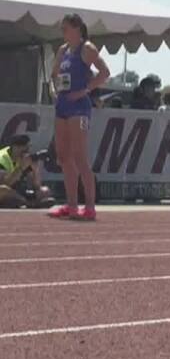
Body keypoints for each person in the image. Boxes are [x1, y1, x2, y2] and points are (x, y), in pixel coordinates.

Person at [45, 14, 110, 221]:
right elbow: (54, 74)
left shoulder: (87, 48)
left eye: (65, 28)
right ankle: (71, 204)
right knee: (63, 156)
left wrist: (85, 91)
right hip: (62, 105)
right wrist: (55, 91)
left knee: (79, 156)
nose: (62, 32)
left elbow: (104, 72)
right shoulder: (63, 50)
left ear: (77, 28)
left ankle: (89, 206)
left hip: (79, 107)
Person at [0, 136, 50, 208]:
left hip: (17, 192)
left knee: (44, 190)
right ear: (14, 147)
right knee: (3, 189)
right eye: (24, 150)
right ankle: (29, 203)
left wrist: (35, 170)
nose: (26, 152)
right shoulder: (2, 158)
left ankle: (21, 202)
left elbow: (37, 185)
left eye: (27, 149)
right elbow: (6, 183)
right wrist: (21, 168)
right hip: (5, 191)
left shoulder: (25, 158)